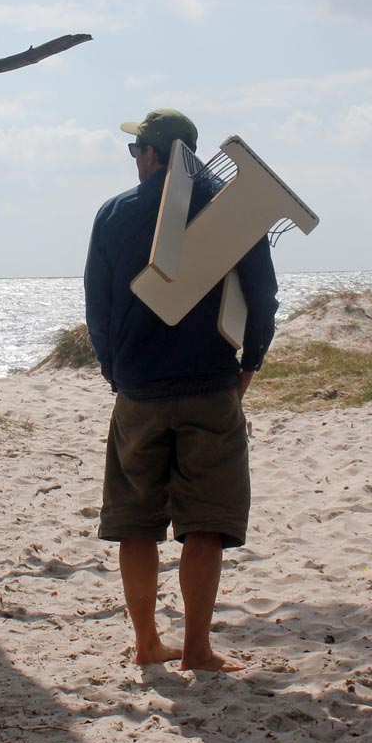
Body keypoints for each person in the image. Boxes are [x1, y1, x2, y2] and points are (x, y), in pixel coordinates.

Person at [84, 108, 278, 672]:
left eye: (135, 150)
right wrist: (249, 366)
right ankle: (196, 648)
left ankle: (147, 643)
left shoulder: (114, 214)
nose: (134, 160)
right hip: (210, 384)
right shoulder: (231, 210)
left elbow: (98, 307)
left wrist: (114, 370)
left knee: (136, 523)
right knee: (206, 522)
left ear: (152, 154)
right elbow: (262, 298)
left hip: (139, 391)